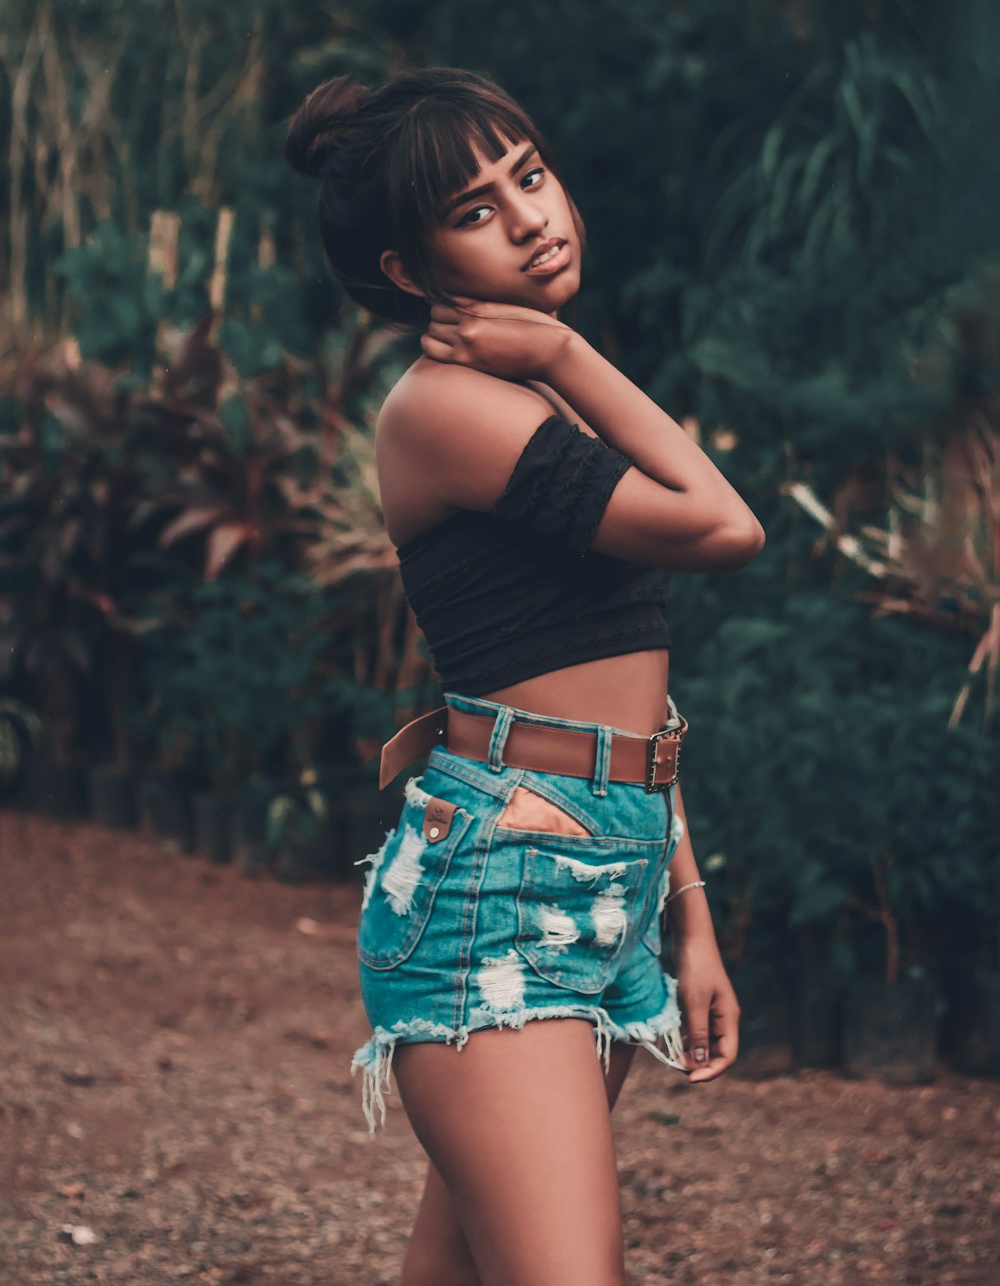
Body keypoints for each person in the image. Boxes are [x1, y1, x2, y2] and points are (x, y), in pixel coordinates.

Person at [285, 67, 763, 1286]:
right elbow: (723, 526)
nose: (534, 218)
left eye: (531, 178)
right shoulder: (445, 411)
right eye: (477, 210)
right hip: (497, 891)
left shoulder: (532, 394)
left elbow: (623, 701)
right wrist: (562, 346)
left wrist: (688, 914)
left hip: (600, 872)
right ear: (409, 268)